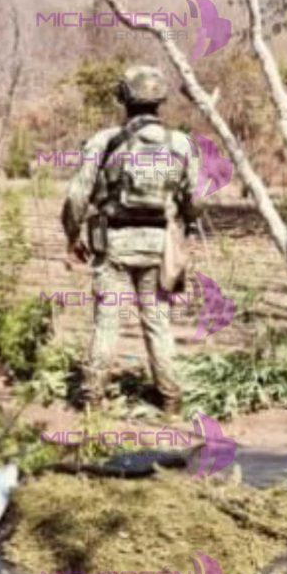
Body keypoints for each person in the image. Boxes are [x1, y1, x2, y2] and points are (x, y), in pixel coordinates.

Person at [61, 65, 199, 415]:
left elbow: (77, 195)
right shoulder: (181, 143)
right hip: (159, 244)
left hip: (114, 243)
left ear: (124, 98)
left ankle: (92, 400)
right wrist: (188, 228)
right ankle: (171, 400)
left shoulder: (105, 141)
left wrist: (72, 235)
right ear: (160, 99)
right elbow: (194, 199)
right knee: (158, 322)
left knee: (107, 322)